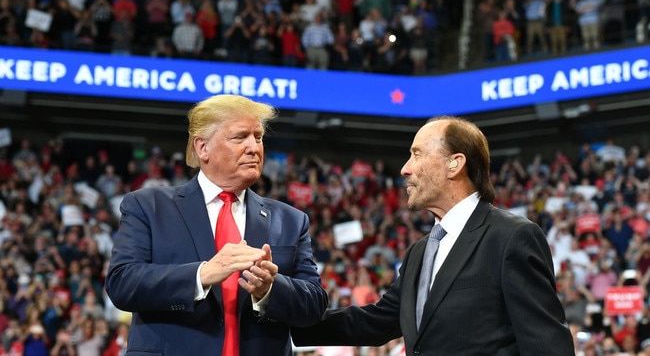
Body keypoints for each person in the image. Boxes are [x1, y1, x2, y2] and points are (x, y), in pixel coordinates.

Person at [292, 116, 574, 354]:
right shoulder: (420, 251)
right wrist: (284, 322)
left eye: (416, 154)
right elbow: (377, 321)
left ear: (455, 163)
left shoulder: (512, 237)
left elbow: (547, 345)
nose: (404, 169)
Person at [105, 94, 328, 355]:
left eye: (258, 137)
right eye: (239, 137)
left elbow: (315, 303)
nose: (254, 148)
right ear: (203, 148)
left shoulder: (291, 219)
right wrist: (202, 274)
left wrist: (270, 289)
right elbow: (122, 284)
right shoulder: (148, 206)